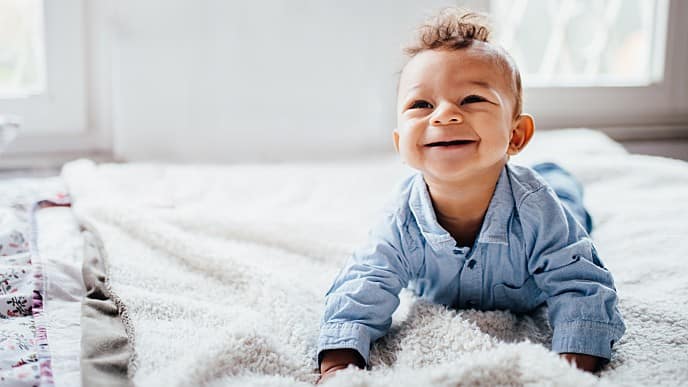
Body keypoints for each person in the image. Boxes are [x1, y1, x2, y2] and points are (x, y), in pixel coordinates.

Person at [316, 7, 625, 383]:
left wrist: (569, 367)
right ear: (400, 144)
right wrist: (338, 364)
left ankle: (559, 177)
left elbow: (581, 284)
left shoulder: (538, 210)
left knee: (567, 204)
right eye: (421, 105)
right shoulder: (401, 219)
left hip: (545, 199)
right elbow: (362, 284)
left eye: (472, 100)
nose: (444, 115)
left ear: (516, 136)